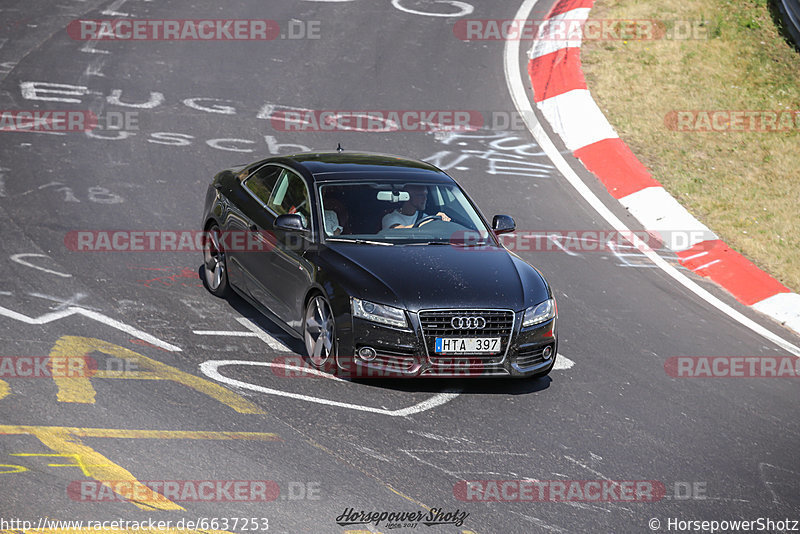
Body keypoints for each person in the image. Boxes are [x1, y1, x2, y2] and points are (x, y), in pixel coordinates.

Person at [381, 184, 451, 229]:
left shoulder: (424, 216)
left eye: (426, 195)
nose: (425, 198)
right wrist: (431, 222)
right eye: (420, 195)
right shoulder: (390, 218)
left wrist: (440, 221)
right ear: (407, 197)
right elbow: (400, 231)